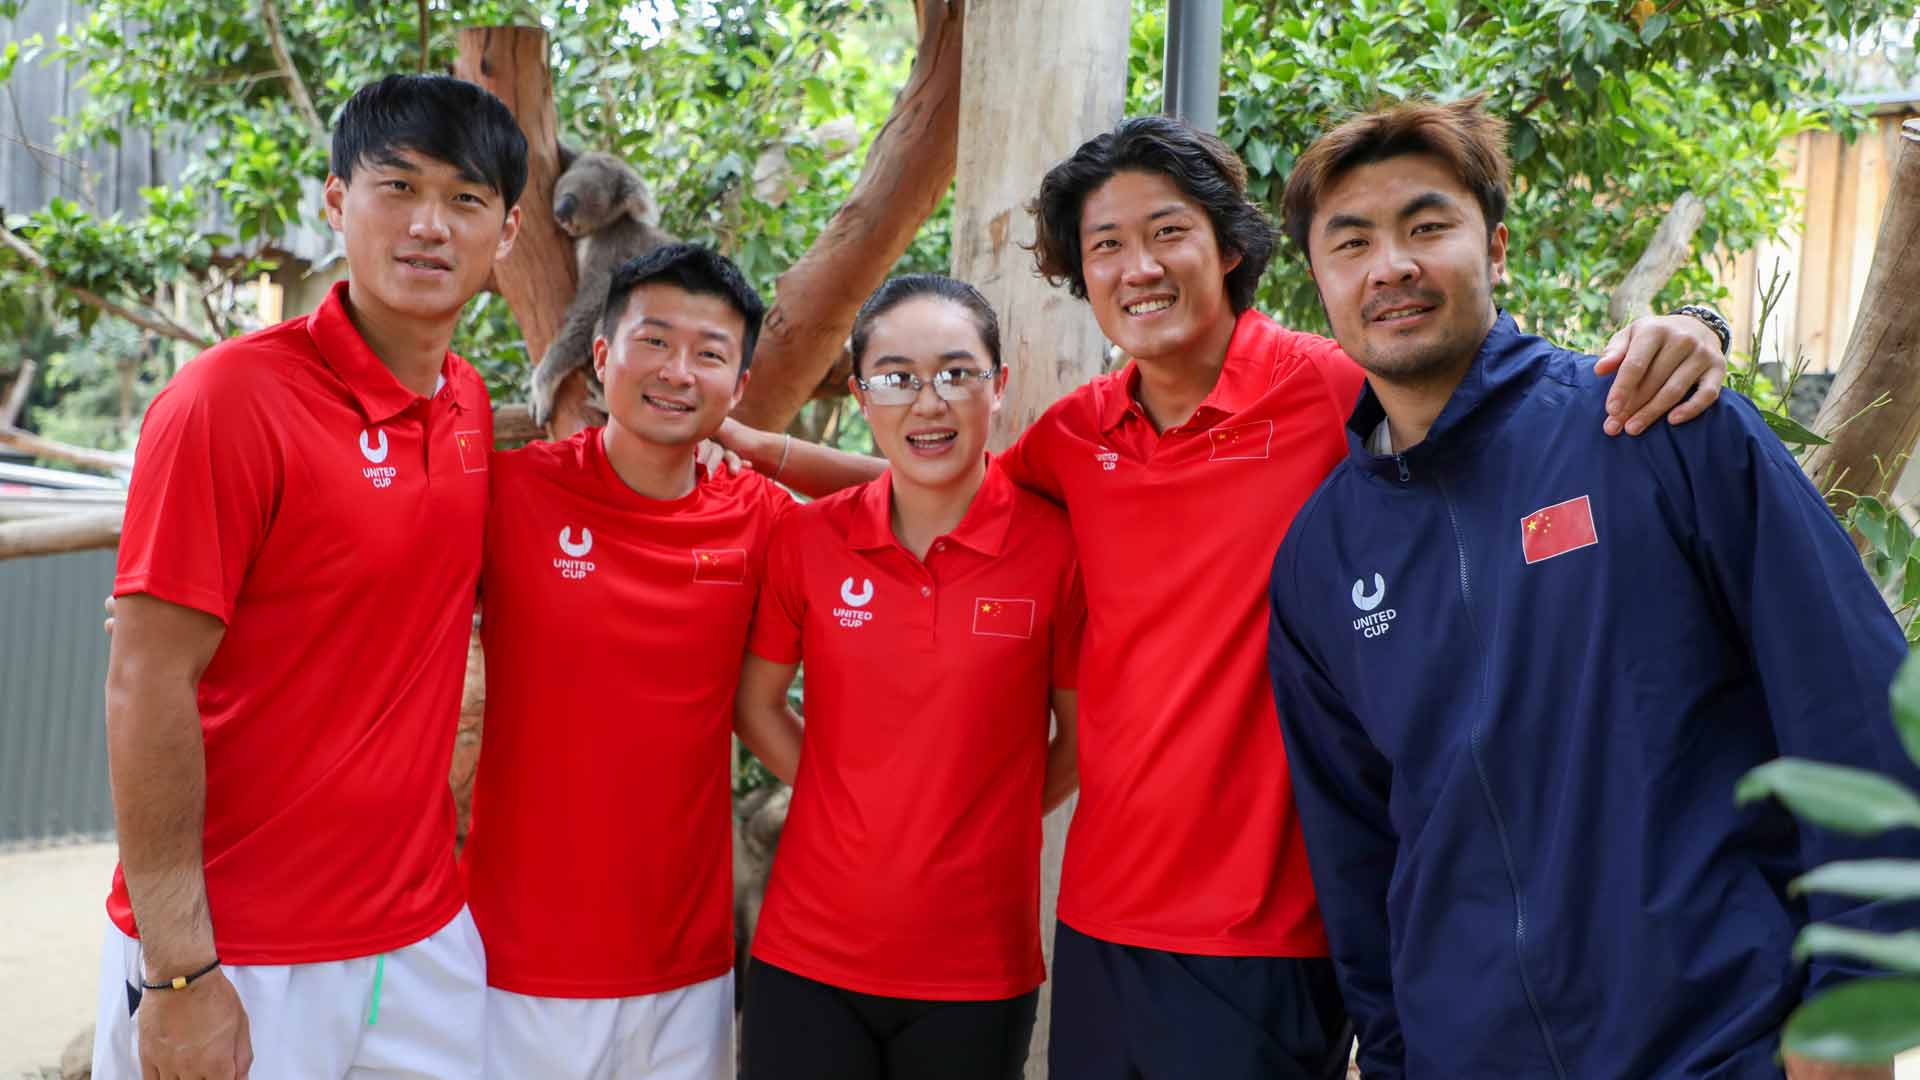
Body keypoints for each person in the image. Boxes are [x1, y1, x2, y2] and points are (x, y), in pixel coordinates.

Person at [714, 115, 1731, 1078]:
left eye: (1168, 232)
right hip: (1100, 918)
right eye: (1106, 245)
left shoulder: (1334, 387)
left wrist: (1692, 326)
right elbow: (938, 485)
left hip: (1269, 929)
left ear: (1230, 246)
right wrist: (770, 453)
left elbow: (1504, 396)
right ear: (1080, 274)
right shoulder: (1076, 435)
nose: (1139, 266)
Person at [1266, 96, 1920, 1080]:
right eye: (1351, 242)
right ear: (1319, 280)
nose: (1390, 266)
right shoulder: (1320, 558)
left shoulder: (1657, 428)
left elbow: (1855, 707)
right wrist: (1395, 1058)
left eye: (1427, 227)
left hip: (1717, 1044)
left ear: (1496, 247)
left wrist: (1856, 1006)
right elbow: (1355, 852)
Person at [95, 74, 524, 1079]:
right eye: (398, 187)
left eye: (465, 199)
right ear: (336, 200)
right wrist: (180, 972)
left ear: (507, 233)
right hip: (239, 952)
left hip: (424, 938)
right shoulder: (226, 402)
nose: (430, 225)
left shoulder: (466, 403)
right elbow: (144, 678)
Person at [461, 243, 801, 1080]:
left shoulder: (761, 518)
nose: (678, 372)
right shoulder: (511, 492)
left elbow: (921, 505)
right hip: (517, 959)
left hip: (688, 964)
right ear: (601, 355)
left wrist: (764, 450)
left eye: (710, 354)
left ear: (738, 386)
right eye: (654, 341)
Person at [732, 274, 1084, 1080]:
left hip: (976, 966)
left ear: (998, 384)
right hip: (807, 952)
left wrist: (980, 810)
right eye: (896, 378)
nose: (928, 403)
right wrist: (850, 799)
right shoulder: (806, 539)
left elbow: (1083, 736)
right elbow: (756, 706)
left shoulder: (1057, 548)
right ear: (861, 395)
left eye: (956, 373)